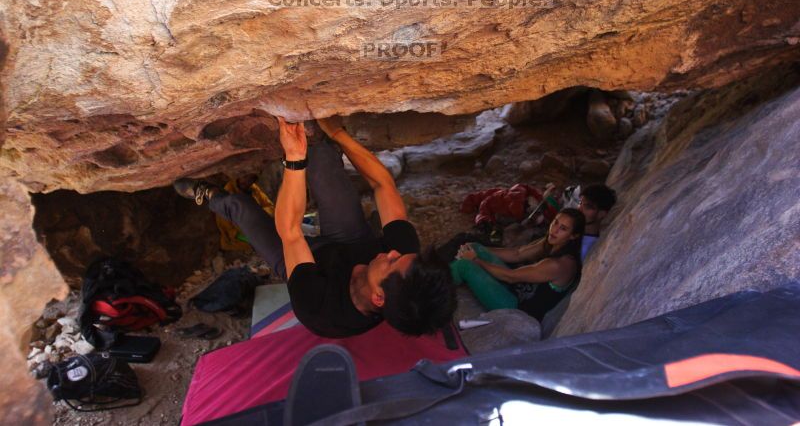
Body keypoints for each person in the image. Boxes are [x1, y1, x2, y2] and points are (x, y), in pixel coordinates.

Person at [173, 116, 456, 338]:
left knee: (243, 209)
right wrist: (337, 133)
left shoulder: (321, 312)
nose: (393, 251)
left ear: (378, 297)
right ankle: (320, 143)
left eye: (392, 262)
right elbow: (383, 184)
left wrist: (294, 160)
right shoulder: (406, 260)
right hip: (352, 240)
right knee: (320, 156)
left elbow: (291, 233)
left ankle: (211, 195)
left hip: (308, 264)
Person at [450, 208, 586, 322]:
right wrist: (477, 250)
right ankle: (443, 277)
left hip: (516, 310)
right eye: (556, 222)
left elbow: (510, 277)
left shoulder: (558, 265)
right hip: (515, 289)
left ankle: (434, 286)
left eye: (563, 228)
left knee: (465, 266)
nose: (555, 230)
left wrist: (475, 260)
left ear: (573, 236)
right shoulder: (552, 243)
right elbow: (517, 253)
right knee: (475, 247)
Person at [577, 184, 617, 262]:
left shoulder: (590, 247)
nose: (579, 209)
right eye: (580, 203)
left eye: (587, 207)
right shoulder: (574, 232)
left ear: (601, 214)